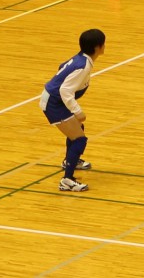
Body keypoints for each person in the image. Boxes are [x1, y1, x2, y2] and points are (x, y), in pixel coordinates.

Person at [39, 29, 106, 192]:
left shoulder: (81, 58)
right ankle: (67, 180)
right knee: (79, 139)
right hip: (54, 104)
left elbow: (62, 66)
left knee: (77, 130)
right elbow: (65, 90)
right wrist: (77, 111)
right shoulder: (83, 66)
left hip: (56, 100)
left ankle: (71, 161)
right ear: (97, 47)